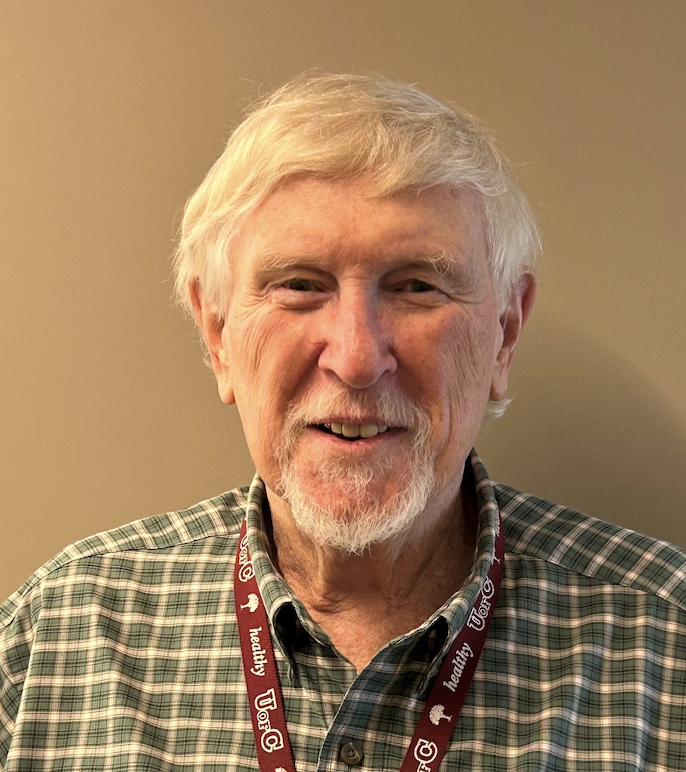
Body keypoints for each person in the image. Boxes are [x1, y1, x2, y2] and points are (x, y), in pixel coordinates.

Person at [1, 74, 685, 772]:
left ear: (505, 335)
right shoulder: (55, 637)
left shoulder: (667, 643)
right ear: (216, 336)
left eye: (417, 285)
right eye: (299, 285)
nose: (357, 358)